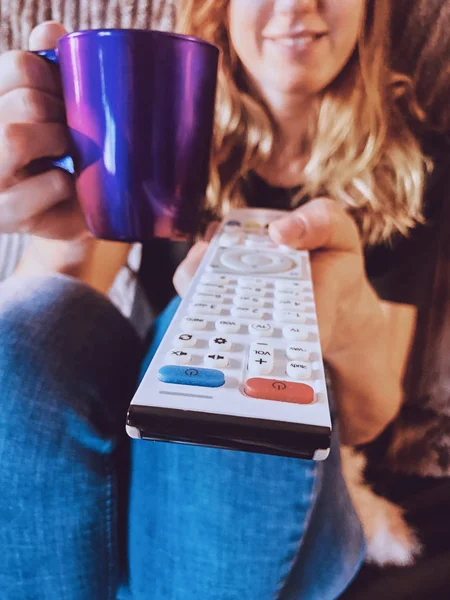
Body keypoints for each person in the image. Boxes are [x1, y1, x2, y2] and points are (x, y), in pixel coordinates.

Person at [0, 0, 435, 598]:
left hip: (282, 486)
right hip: (132, 450)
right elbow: (53, 326)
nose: (295, 7)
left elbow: (372, 414)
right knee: (18, 336)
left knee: (223, 364)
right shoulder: (160, 111)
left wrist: (335, 316)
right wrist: (72, 211)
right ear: (221, 10)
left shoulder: (412, 161)